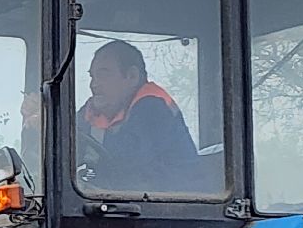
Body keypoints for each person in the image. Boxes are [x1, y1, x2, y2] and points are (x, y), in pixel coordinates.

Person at [23, 40, 204, 193]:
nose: (94, 84)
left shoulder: (152, 106)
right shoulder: (94, 109)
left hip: (169, 209)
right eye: (92, 77)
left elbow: (126, 161)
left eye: (103, 74)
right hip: (121, 204)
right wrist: (39, 127)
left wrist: (53, 127)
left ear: (132, 76)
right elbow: (66, 152)